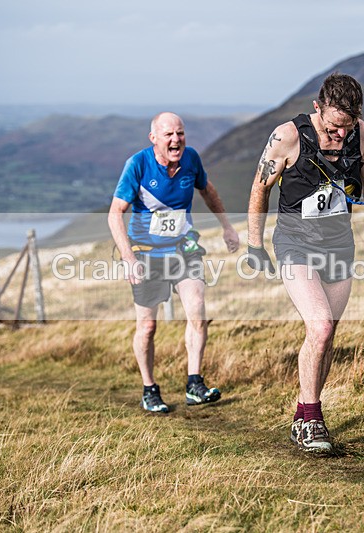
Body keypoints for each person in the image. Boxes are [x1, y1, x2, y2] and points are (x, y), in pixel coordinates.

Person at [246, 73, 364, 452]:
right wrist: (254, 244)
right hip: (295, 242)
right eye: (333, 127)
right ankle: (313, 420)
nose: (340, 135)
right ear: (318, 109)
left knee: (326, 337)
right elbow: (260, 188)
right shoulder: (287, 136)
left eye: (348, 126)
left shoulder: (361, 134)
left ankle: (303, 416)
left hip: (339, 245)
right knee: (321, 326)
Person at [108, 112, 239, 413]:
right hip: (146, 253)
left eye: (180, 133)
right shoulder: (138, 165)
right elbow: (115, 214)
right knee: (147, 326)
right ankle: (149, 389)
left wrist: (227, 227)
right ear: (153, 138)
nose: (175, 139)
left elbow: (208, 190)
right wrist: (129, 258)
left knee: (197, 309)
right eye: (168, 134)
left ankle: (195, 384)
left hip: (184, 249)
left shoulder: (191, 159)